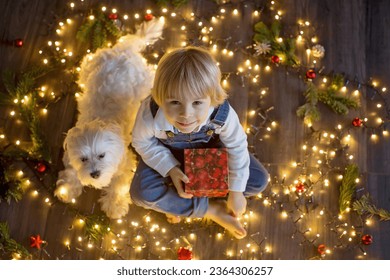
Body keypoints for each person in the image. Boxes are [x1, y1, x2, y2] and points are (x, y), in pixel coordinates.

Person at [130, 46, 269, 239]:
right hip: (168, 153)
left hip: (211, 151)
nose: (186, 114)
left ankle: (180, 202)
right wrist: (170, 168)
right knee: (141, 193)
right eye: (174, 102)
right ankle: (210, 210)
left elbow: (236, 146)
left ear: (212, 98)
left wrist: (236, 192)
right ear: (160, 98)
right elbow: (142, 143)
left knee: (258, 180)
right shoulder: (149, 116)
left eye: (197, 103)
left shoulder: (222, 114)